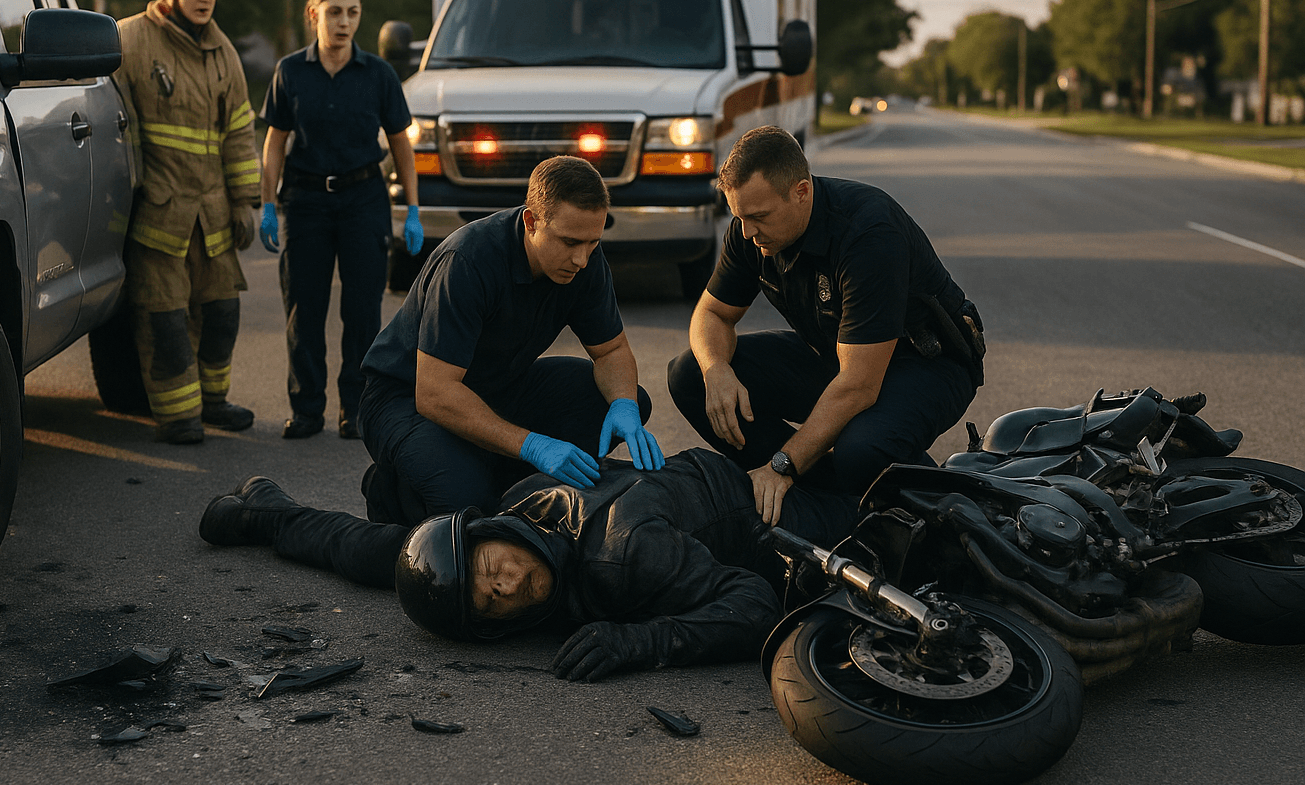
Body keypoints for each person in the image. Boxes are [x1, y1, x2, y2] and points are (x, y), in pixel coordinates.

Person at [197, 447, 861, 681]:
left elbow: (754, 602)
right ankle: (267, 512)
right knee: (396, 556)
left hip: (766, 507)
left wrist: (643, 641)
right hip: (648, 495)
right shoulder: (520, 511)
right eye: (493, 599)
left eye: (496, 569)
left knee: (885, 535)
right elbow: (372, 547)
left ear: (495, 535)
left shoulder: (626, 558)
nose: (510, 583)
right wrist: (274, 520)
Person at [668, 125, 985, 525]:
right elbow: (712, 314)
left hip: (928, 364)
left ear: (801, 191)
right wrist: (716, 370)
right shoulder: (750, 228)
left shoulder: (868, 232)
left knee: (861, 451)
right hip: (841, 356)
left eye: (759, 217)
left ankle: (950, 512)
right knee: (690, 375)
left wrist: (784, 463)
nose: (747, 232)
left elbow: (859, 385)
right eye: (739, 217)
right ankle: (819, 493)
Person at [356, 155, 664, 523]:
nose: (581, 259)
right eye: (569, 242)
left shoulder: (584, 260)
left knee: (627, 398)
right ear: (531, 222)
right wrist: (532, 445)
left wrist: (624, 406)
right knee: (470, 508)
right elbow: (434, 392)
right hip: (406, 398)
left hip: (496, 386)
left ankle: (489, 469)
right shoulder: (468, 260)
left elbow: (611, 350)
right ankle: (396, 487)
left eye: (592, 243)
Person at [257, 0, 422, 440]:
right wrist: (267, 203)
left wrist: (412, 209)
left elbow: (401, 144)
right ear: (314, 14)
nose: (344, 22)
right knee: (303, 308)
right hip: (306, 201)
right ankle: (307, 409)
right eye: (334, 12)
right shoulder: (290, 72)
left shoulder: (379, 75)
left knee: (362, 310)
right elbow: (275, 142)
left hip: (362, 199)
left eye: (352, 12)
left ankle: (357, 409)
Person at [114, 0, 260, 444]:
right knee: (166, 321)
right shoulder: (129, 41)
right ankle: (177, 416)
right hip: (159, 217)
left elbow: (239, 133)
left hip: (214, 216)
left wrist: (245, 202)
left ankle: (213, 401)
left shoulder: (224, 53)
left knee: (222, 313)